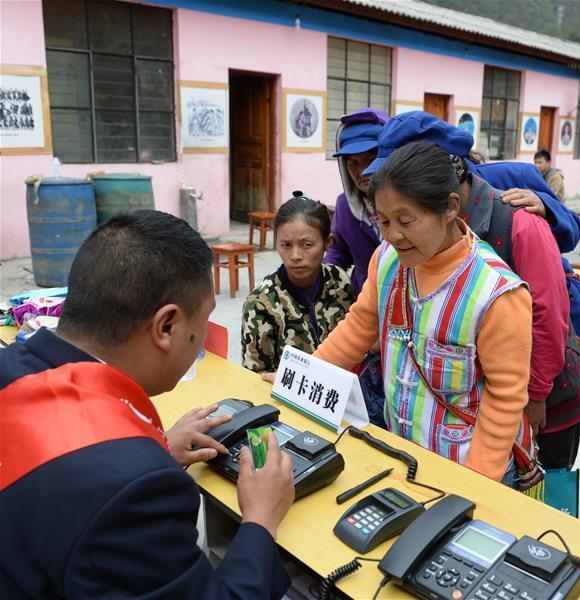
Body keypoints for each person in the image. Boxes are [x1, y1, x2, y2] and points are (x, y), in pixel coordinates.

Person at [0, 210, 295, 598]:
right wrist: (261, 519)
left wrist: (152, 446)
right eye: (204, 318)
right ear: (166, 327)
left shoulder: (10, 367)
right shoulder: (138, 492)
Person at [364, 111, 580, 520]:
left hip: (565, 333)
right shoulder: (416, 218)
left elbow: (549, 305)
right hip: (506, 348)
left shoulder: (512, 188)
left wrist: (548, 207)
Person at [314, 142, 537, 487]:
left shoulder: (496, 293)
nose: (393, 235)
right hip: (403, 456)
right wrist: (300, 376)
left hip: (465, 469)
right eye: (384, 221)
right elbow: (357, 328)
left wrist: (477, 487)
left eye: (406, 221)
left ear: (450, 207)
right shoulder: (386, 260)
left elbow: (505, 398)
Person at [325, 107, 391, 426]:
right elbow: (340, 251)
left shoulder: (411, 204)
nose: (362, 170)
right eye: (352, 163)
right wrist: (322, 271)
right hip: (365, 317)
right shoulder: (345, 206)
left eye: (370, 158)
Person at [241, 193, 355, 376]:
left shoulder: (339, 280)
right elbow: (254, 375)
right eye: (286, 245)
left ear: (328, 243)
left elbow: (354, 339)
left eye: (307, 244)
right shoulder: (261, 302)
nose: (295, 256)